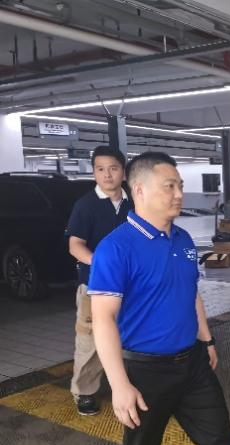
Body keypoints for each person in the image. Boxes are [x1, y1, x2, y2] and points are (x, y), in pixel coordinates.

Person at [88, 152, 230, 445]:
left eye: (180, 186)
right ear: (139, 189)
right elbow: (103, 319)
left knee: (219, 443)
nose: (179, 194)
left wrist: (207, 339)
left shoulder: (183, 239)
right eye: (169, 186)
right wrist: (119, 385)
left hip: (193, 365)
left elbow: (191, 292)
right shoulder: (115, 248)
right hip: (145, 373)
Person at [66, 146, 132, 416]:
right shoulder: (86, 205)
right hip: (95, 286)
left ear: (123, 172)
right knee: (91, 340)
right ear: (93, 172)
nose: (107, 174)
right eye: (100, 169)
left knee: (132, 336)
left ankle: (128, 384)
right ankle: (84, 391)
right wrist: (102, 264)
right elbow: (75, 245)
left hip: (131, 285)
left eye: (113, 168)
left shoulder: (133, 202)